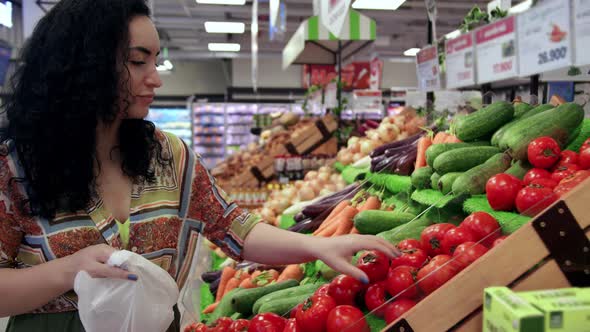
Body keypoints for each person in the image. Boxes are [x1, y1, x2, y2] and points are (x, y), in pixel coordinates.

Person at [0, 0, 398, 331]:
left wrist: (320, 246)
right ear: (83, 67)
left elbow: (235, 229)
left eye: (156, 60)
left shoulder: (168, 156)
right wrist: (68, 270)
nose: (155, 78)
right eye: (138, 62)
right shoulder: (15, 166)